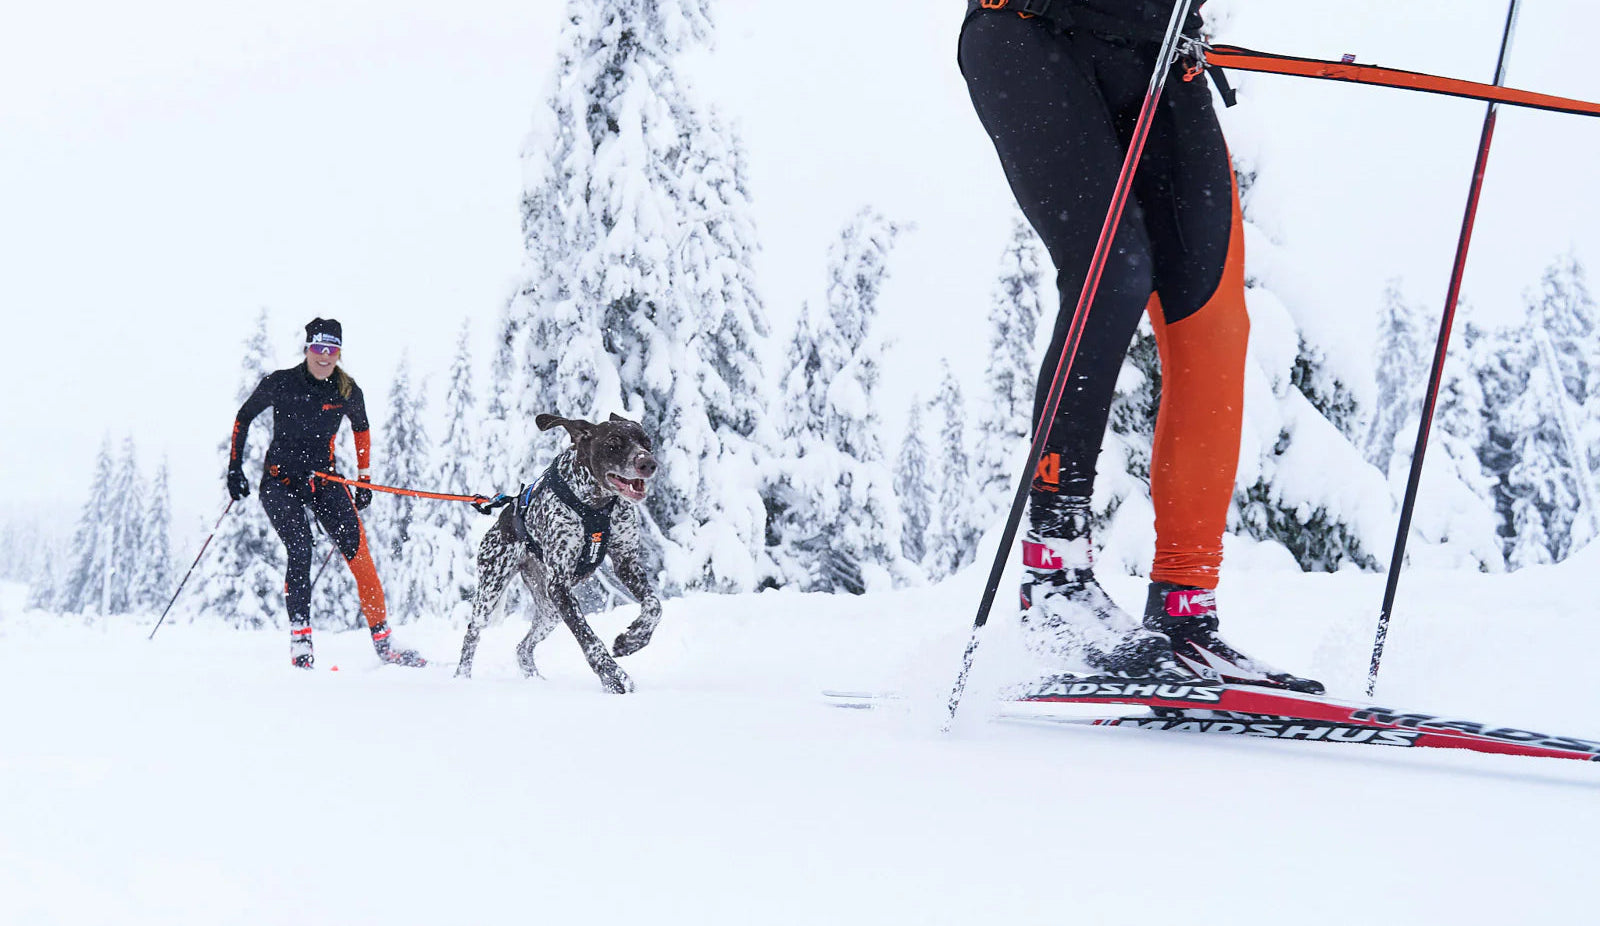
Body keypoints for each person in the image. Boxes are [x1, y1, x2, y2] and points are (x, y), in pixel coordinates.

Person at [958, 0, 1320, 691]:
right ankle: (1055, 578)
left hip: (1161, 51)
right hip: (1032, 30)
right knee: (1111, 272)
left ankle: (1186, 611)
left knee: (1212, 321)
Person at [227, 317, 425, 669]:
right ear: (306, 349)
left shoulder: (346, 390)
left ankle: (385, 643)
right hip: (280, 482)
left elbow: (362, 429)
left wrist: (364, 479)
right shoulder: (281, 383)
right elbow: (244, 417)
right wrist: (235, 468)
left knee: (359, 552)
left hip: (324, 480)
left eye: (331, 350)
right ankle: (301, 640)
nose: (324, 356)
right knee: (301, 546)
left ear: (339, 353)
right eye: (318, 348)